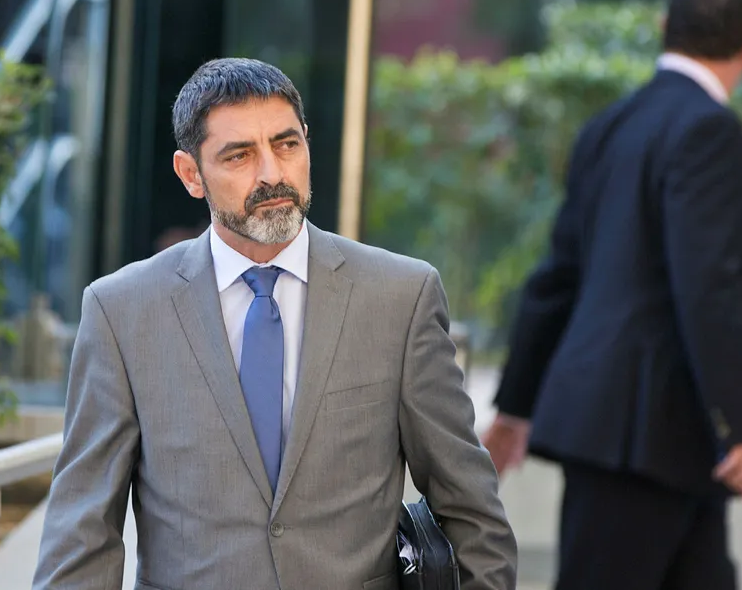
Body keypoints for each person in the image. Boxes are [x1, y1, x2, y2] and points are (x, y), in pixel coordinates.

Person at [32, 58, 517, 590]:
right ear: (191, 174)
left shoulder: (401, 298)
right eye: (239, 155)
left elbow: (471, 511)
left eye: (286, 144)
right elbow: (82, 534)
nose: (271, 173)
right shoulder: (121, 311)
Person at [481, 0, 742, 590]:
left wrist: (516, 405)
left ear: (665, 24)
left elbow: (558, 276)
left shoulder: (610, 125)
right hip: (647, 440)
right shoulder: (709, 129)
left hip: (644, 442)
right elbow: (709, 288)